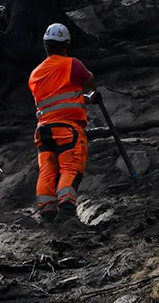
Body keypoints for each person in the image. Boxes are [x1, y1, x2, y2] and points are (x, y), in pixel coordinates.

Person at [28, 23, 99, 222]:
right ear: (66, 45)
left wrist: (86, 99)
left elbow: (58, 97)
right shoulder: (72, 64)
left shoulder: (35, 74)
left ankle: (47, 212)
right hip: (67, 129)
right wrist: (90, 92)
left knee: (47, 171)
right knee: (71, 167)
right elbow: (89, 81)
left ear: (45, 45)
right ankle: (67, 210)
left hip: (43, 130)